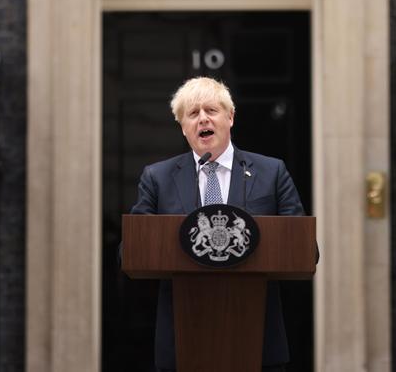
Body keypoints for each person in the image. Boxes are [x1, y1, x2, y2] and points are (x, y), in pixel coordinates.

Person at [130, 76, 306, 372]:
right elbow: (132, 250)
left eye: (211, 110)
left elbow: (302, 248)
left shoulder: (270, 172)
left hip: (256, 339)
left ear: (231, 117)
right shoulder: (157, 178)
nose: (202, 120)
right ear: (183, 126)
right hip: (182, 340)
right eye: (193, 113)